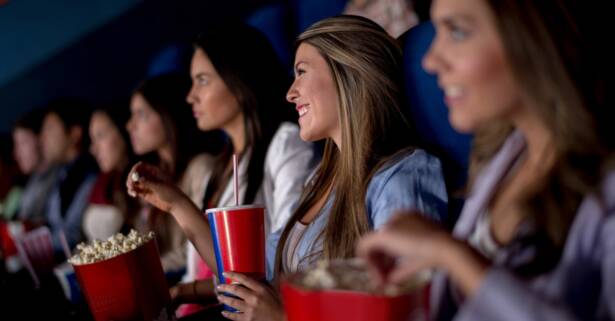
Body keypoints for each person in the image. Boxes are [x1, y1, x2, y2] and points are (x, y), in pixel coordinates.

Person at [128, 16, 448, 321]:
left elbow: (411, 309)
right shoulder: (317, 183)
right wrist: (175, 203)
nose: (290, 92)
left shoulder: (402, 173)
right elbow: (247, 274)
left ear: (347, 72)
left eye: (302, 72)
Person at [357, 1, 615, 320]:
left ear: (534, 38)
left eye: (458, 31)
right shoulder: (506, 155)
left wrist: (451, 254)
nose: (430, 61)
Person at [127, 24, 317, 317]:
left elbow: (278, 267)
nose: (191, 96)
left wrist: (178, 204)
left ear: (238, 80)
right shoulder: (221, 167)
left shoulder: (285, 144)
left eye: (202, 80)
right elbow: (222, 271)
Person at [126, 72, 222, 274]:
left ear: (167, 114)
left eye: (141, 114)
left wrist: (144, 270)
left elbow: (200, 253)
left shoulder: (201, 168)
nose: (130, 125)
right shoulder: (155, 173)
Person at [41, 99, 98, 256]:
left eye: (50, 129)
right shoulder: (62, 174)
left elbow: (73, 235)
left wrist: (40, 244)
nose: (43, 138)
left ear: (74, 133)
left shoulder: (90, 175)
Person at [83, 105, 139, 241]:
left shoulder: (142, 178)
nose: (93, 149)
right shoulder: (105, 182)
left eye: (100, 136)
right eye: (92, 139)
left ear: (123, 130)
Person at [12, 108, 59, 225]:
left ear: (41, 139)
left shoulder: (60, 178)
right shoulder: (33, 180)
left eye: (22, 143)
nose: (17, 154)